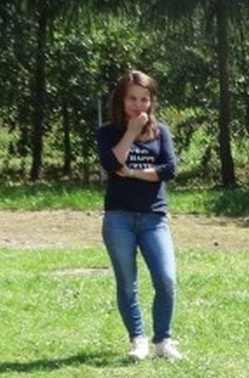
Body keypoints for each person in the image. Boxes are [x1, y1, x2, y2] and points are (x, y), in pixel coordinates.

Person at [96, 70, 182, 361]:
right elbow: (110, 163)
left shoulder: (162, 133)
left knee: (166, 279)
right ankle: (138, 340)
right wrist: (131, 132)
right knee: (127, 282)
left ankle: (163, 340)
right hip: (118, 218)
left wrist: (132, 172)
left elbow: (168, 171)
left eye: (144, 99)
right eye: (132, 98)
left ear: (151, 101)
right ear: (121, 100)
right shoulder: (108, 133)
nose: (138, 105)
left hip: (153, 219)